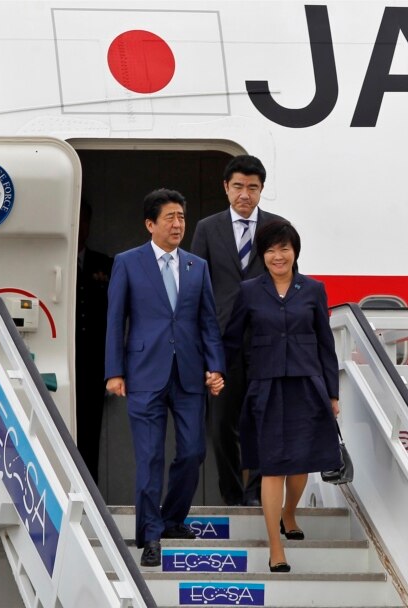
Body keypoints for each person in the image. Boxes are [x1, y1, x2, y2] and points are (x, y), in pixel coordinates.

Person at [104, 188, 226, 568]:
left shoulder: (196, 266)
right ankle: (150, 535)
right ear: (150, 224)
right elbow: (115, 320)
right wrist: (114, 372)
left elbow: (208, 322)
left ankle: (172, 518)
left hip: (189, 374)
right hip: (144, 373)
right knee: (150, 457)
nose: (178, 224)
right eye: (170, 217)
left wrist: (216, 367)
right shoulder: (128, 262)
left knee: (193, 451)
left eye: (182, 217)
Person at [222, 220, 341, 573]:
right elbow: (232, 338)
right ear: (262, 255)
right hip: (267, 385)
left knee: (301, 462)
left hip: (307, 384)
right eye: (271, 250)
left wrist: (332, 393)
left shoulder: (313, 289)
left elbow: (326, 344)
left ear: (295, 252)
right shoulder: (249, 291)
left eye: (284, 248)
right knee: (272, 466)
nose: (278, 256)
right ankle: (276, 548)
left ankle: (289, 512)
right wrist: (215, 371)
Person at [191, 154, 287, 507]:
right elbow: (195, 286)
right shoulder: (207, 228)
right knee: (221, 425)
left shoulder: (277, 227)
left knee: (264, 418)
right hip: (221, 341)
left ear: (261, 190)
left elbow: (288, 279)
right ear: (226, 188)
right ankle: (232, 495)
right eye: (238, 187)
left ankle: (257, 493)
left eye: (252, 187)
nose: (245, 194)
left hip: (265, 339)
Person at [75, 201, 114, 483]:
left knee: (91, 431)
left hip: (95, 362)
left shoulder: (105, 264)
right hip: (65, 357)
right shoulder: (55, 263)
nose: (80, 227)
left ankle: (90, 490)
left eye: (85, 221)